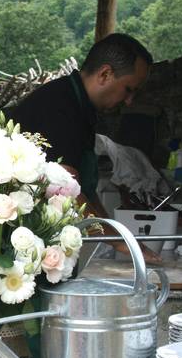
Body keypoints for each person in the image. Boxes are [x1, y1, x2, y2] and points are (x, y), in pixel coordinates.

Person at [9, 32, 161, 264]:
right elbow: (66, 192)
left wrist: (115, 231)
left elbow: (83, 192)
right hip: (20, 242)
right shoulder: (60, 107)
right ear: (105, 74)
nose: (129, 101)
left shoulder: (81, 106)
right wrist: (122, 242)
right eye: (129, 89)